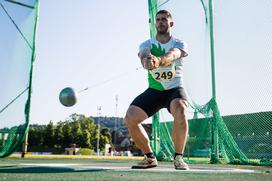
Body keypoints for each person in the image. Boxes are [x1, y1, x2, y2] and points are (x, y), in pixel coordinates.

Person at [125, 10, 189, 170]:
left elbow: (173, 55)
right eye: (158, 20)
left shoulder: (179, 43)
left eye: (164, 20)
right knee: (130, 117)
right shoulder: (146, 44)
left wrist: (159, 60)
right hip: (154, 91)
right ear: (155, 24)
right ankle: (149, 158)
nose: (160, 22)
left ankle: (178, 158)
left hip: (174, 89)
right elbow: (144, 55)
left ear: (171, 24)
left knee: (180, 109)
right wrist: (147, 61)